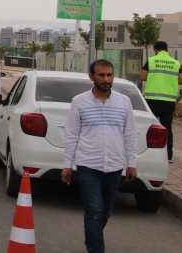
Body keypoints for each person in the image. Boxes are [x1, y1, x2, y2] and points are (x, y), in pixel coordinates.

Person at [62, 59, 137, 253]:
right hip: (88, 165)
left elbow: (130, 133)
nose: (106, 79)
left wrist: (132, 163)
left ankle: (93, 236)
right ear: (91, 76)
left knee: (106, 212)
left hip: (114, 166)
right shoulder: (79, 102)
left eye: (109, 75)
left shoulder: (124, 102)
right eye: (101, 75)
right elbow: (71, 134)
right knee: (94, 212)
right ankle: (95, 249)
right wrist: (67, 165)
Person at [140, 41, 182, 162]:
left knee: (150, 126)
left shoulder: (152, 60)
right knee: (167, 127)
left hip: (152, 100)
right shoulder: (175, 63)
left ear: (155, 49)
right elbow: (181, 80)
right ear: (167, 49)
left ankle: (148, 153)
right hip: (169, 100)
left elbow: (142, 77)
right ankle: (168, 156)